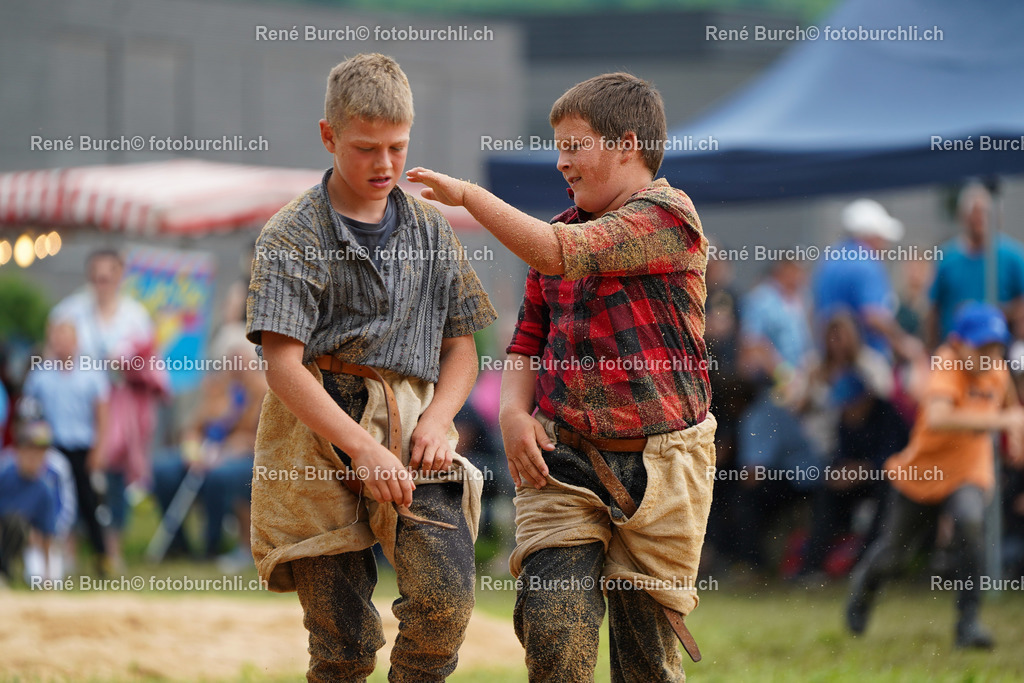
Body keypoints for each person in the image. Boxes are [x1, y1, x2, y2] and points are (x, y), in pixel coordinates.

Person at [409, 72, 716, 683]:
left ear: (626, 144)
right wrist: (513, 415)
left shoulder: (667, 215)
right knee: (554, 631)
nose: (561, 162)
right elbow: (526, 341)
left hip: (662, 468)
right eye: (559, 146)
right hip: (563, 460)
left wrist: (470, 197)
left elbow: (560, 252)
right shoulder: (558, 226)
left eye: (574, 145)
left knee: (647, 661)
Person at [246, 53, 496, 681]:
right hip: (313, 433)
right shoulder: (290, 234)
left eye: (397, 147)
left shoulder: (433, 230)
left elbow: (462, 347)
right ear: (328, 136)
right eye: (366, 148)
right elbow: (282, 365)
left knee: (446, 601)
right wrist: (360, 447)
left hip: (413, 426)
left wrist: (439, 420)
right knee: (343, 643)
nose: (384, 165)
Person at [846, 303, 1024, 649]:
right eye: (982, 348)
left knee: (971, 524)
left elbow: (1011, 407)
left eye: (996, 348)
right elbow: (942, 417)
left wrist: (1014, 436)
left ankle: (968, 624)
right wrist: (1001, 423)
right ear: (958, 344)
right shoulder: (945, 366)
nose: (990, 356)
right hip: (922, 473)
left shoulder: (996, 369)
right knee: (894, 556)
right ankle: (864, 588)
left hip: (969, 470)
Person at [50, 248, 166, 568]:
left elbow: (152, 367)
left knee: (115, 478)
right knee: (73, 477)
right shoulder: (69, 312)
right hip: (78, 411)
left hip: (119, 414)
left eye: (108, 277)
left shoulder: (135, 316)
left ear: (119, 276)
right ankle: (68, 549)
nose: (103, 284)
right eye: (97, 278)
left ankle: (112, 549)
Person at [22, 320, 110, 572]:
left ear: (76, 341)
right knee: (49, 502)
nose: (60, 343)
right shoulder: (41, 374)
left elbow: (103, 414)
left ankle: (101, 557)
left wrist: (100, 449)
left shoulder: (91, 372)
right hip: (50, 449)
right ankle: (49, 557)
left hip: (82, 448)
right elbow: (30, 412)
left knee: (89, 504)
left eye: (65, 337)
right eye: (56, 338)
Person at [812, 199, 923, 362]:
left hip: (830, 359)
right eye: (882, 238)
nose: (886, 245)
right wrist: (904, 342)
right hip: (862, 362)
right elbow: (873, 315)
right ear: (871, 236)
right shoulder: (867, 264)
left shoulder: (828, 261)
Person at [927, 183, 1024, 346]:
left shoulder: (1013, 256)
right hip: (956, 349)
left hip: (998, 349)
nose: (979, 221)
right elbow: (933, 307)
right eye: (974, 215)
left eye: (985, 215)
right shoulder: (946, 258)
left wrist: (1002, 313)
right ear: (963, 218)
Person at [0, 414, 59, 585]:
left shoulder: (44, 489)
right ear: (18, 451)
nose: (34, 457)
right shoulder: (4, 474)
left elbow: (47, 533)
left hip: (18, 539)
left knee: (17, 525)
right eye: (29, 450)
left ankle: (5, 572)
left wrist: (48, 575)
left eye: (39, 452)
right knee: (11, 522)